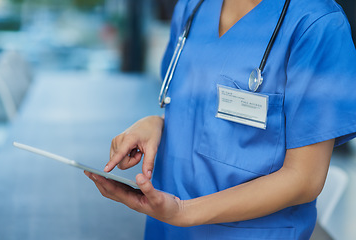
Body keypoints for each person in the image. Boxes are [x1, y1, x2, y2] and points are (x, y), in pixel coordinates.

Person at [84, 0, 356, 239]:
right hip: (166, 229)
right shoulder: (193, 7)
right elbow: (199, 113)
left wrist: (183, 211)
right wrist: (157, 124)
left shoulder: (318, 25)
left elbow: (304, 179)